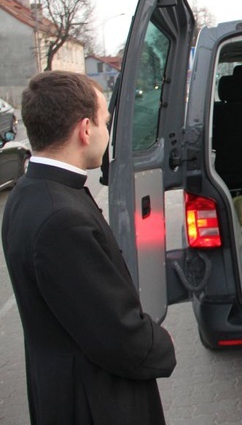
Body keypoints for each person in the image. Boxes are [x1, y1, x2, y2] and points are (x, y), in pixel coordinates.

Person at [1, 71, 176, 424]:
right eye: (105, 123)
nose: (107, 134)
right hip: (95, 402)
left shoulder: (28, 191)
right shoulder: (61, 218)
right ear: (85, 130)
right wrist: (160, 345)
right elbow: (115, 335)